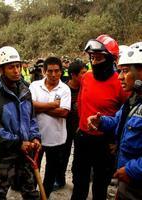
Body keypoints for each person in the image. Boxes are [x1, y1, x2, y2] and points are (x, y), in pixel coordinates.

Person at [71, 34, 129, 200]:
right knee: (79, 182)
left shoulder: (120, 83)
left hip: (104, 142)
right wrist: (80, 126)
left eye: (99, 58)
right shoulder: (87, 78)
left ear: (111, 59)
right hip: (83, 138)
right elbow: (81, 102)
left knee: (100, 186)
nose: (94, 61)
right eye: (92, 57)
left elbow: (125, 115)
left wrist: (117, 142)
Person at [0, 46, 41, 200]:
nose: (16, 70)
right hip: (5, 155)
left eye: (18, 66)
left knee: (30, 192)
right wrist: (17, 143)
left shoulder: (25, 89)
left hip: (26, 151)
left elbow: (32, 117)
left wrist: (35, 137)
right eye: (11, 67)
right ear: (1, 70)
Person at [87, 44, 142, 200]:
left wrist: (132, 170)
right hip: (128, 182)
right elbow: (119, 120)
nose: (119, 77)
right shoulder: (133, 100)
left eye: (125, 71)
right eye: (119, 71)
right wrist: (101, 121)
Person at [29, 56, 71, 198]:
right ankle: (33, 195)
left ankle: (44, 196)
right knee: (33, 170)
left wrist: (39, 107)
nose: (53, 75)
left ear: (61, 72)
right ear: (43, 71)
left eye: (57, 71)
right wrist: (53, 105)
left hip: (56, 139)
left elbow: (64, 112)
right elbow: (29, 107)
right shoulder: (35, 86)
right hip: (36, 138)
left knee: (51, 172)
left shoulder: (65, 89)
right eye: (50, 71)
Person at [54, 60, 88, 190]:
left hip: (81, 129)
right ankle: (59, 179)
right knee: (63, 155)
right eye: (82, 74)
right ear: (73, 75)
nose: (85, 76)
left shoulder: (85, 88)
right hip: (65, 128)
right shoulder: (63, 89)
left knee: (80, 157)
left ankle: (77, 180)